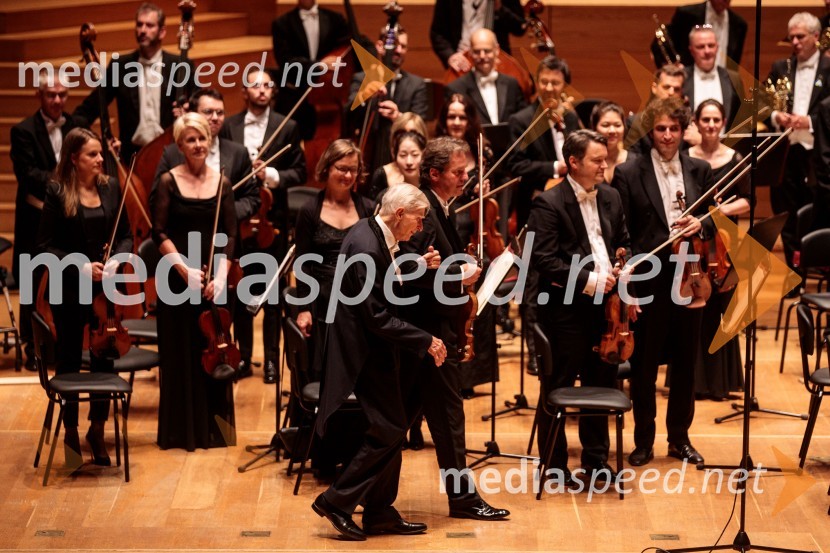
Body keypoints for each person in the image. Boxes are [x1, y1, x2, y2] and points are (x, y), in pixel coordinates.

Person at [311, 184, 446, 541]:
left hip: (374, 347)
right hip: (364, 351)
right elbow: (377, 317)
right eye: (418, 220)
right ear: (400, 214)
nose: (419, 229)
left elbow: (383, 280)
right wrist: (425, 339)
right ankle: (337, 501)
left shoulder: (369, 230)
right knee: (388, 429)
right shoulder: (367, 247)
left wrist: (416, 265)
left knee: (394, 426)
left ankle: (380, 511)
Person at [398, 136, 510, 521]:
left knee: (397, 423)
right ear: (434, 174)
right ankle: (462, 500)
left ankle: (357, 496)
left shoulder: (441, 206)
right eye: (459, 172)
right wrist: (458, 276)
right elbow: (409, 275)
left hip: (431, 332)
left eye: (467, 171)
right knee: (447, 418)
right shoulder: (423, 211)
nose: (467, 178)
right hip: (429, 333)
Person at [611, 97, 713, 467]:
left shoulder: (699, 169)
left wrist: (701, 222)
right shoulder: (629, 172)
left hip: (689, 277)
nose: (667, 136)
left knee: (686, 363)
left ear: (684, 130)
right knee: (645, 364)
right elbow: (622, 231)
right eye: (660, 129)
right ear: (650, 132)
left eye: (673, 128)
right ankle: (643, 440)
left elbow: (714, 217)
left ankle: (679, 439)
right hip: (650, 277)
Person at [528, 130, 631, 485]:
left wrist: (624, 268)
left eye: (605, 158)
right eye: (597, 160)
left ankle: (596, 462)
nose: (605, 165)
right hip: (565, 310)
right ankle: (554, 465)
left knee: (600, 381)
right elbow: (543, 260)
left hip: (607, 310)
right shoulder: (549, 203)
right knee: (557, 384)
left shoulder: (613, 197)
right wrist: (589, 281)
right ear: (573, 163)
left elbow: (623, 244)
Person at [36, 127, 133, 468]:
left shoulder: (109, 188)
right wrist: (79, 264)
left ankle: (97, 429)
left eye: (100, 153)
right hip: (70, 288)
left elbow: (125, 236)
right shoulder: (58, 191)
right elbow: (45, 246)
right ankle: (72, 430)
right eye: (92, 154)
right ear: (74, 158)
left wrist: (117, 259)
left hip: (104, 290)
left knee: (104, 356)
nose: (100, 159)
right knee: (69, 361)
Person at [151, 112, 237, 451]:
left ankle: (216, 432)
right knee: (180, 354)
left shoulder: (223, 182)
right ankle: (179, 433)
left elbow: (230, 236)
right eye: (190, 139)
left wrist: (218, 277)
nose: (198, 144)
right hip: (177, 278)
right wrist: (183, 269)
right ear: (179, 145)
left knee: (214, 352)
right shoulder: (168, 181)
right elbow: (159, 232)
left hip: (212, 281)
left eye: (202, 138)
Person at [221, 70, 307, 384]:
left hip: (274, 224)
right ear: (244, 91)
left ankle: (271, 360)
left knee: (272, 297)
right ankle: (244, 357)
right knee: (242, 289)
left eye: (267, 85)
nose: (262, 90)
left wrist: (269, 174)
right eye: (255, 84)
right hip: (239, 222)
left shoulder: (288, 125)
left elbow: (299, 172)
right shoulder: (229, 125)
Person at [73, 2, 196, 162]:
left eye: (149, 25)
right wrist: (95, 140)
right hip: (132, 157)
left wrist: (189, 114)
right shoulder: (121, 65)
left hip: (171, 154)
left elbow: (198, 106)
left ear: (162, 32)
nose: (143, 30)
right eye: (139, 25)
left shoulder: (181, 65)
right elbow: (89, 109)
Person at [11, 73, 76, 369]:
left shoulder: (76, 126)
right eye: (51, 94)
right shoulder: (23, 131)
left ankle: (66, 344)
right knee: (32, 283)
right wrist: (64, 177)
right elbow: (28, 176)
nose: (57, 100)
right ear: (39, 95)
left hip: (70, 218)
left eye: (62, 94)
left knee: (67, 283)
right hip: (35, 219)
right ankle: (32, 348)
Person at [688, 99, 748, 400]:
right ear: (696, 123)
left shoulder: (735, 158)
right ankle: (693, 381)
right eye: (705, 120)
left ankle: (720, 382)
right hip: (693, 248)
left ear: (723, 123)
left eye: (715, 120)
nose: (710, 125)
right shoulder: (688, 158)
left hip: (724, 247)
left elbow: (748, 200)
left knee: (721, 312)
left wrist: (718, 211)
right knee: (694, 308)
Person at [766, 12, 830, 273]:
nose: (794, 41)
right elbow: (759, 105)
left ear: (816, 37)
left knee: (816, 210)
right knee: (786, 212)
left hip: (818, 153)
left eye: (800, 36)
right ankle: (795, 275)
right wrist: (775, 116)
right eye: (791, 37)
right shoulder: (781, 67)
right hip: (786, 152)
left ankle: (818, 266)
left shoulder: (829, 69)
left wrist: (810, 122)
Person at [507, 55, 581, 232]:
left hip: (571, 200)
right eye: (544, 82)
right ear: (536, 82)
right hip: (536, 201)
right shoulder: (521, 120)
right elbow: (516, 165)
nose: (548, 88)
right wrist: (557, 167)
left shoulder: (570, 118)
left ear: (564, 86)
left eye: (555, 83)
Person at [345, 27, 428, 173]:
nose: (399, 50)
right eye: (395, 45)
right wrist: (367, 93)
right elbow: (347, 114)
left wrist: (398, 118)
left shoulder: (417, 84)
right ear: (380, 46)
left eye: (403, 46)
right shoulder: (361, 79)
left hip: (402, 161)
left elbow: (420, 125)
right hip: (367, 155)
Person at [271, 0, 350, 140]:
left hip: (328, 94)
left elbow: (351, 47)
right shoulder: (282, 24)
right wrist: (317, 65)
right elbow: (286, 63)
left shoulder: (335, 19)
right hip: (296, 94)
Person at [445, 28, 527, 126]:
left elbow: (523, 123)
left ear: (496, 50)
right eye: (477, 51)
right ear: (470, 52)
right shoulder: (456, 88)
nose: (482, 56)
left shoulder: (512, 84)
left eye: (487, 51)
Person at [430, 0, 525, 72]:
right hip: (462, 62)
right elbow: (437, 33)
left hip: (498, 62)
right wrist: (451, 56)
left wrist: (500, 9)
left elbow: (520, 28)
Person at [650, 0, 747, 69]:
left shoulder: (739, 24)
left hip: (722, 87)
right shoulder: (686, 14)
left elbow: (734, 65)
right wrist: (671, 69)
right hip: (688, 85)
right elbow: (661, 44)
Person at [682, 25, 744, 130]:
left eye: (711, 46)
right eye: (700, 47)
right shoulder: (682, 78)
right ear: (691, 50)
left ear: (717, 47)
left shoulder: (733, 78)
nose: (707, 51)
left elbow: (741, 118)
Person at [626, 64, 690, 156]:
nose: (671, 93)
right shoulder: (635, 123)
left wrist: (699, 143)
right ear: (654, 88)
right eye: (666, 87)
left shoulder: (690, 124)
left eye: (676, 89)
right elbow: (633, 162)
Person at [365, 130, 426, 201]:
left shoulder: (433, 189)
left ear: (424, 155)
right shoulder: (387, 194)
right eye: (403, 155)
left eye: (415, 155)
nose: (409, 162)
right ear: (395, 157)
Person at [590, 101, 629, 183]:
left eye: (617, 125)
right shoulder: (587, 164)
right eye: (605, 125)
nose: (612, 131)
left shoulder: (635, 163)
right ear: (594, 128)